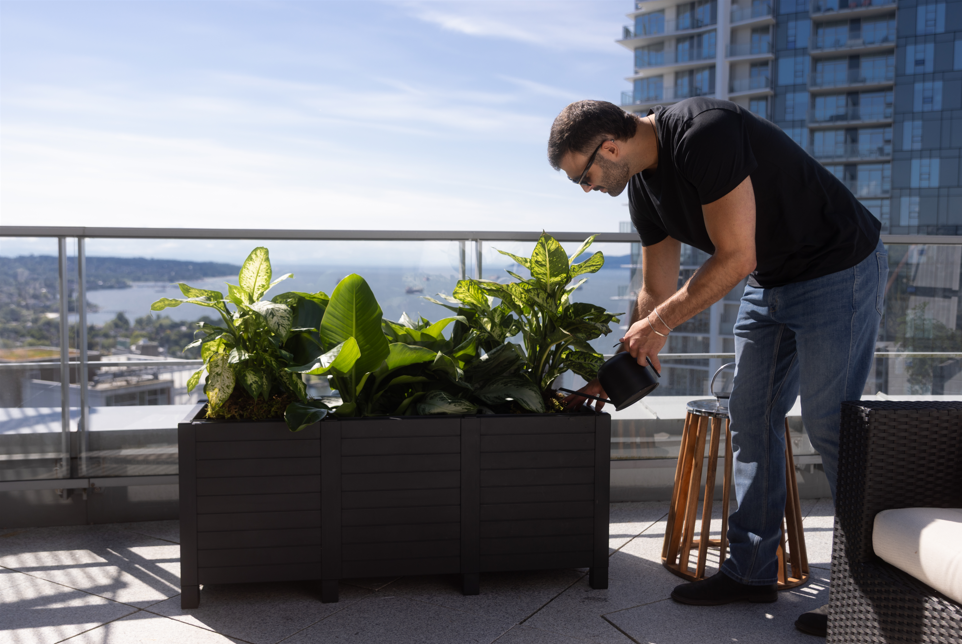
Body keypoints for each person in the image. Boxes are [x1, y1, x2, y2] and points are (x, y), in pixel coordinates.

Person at [548, 97, 887, 638]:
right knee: (749, 417)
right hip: (772, 283)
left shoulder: (705, 132)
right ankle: (750, 571)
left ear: (608, 147)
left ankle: (865, 591)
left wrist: (658, 324)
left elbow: (735, 256)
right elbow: (654, 290)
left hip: (837, 267)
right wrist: (614, 370)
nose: (585, 189)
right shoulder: (642, 186)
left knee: (831, 426)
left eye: (582, 177)